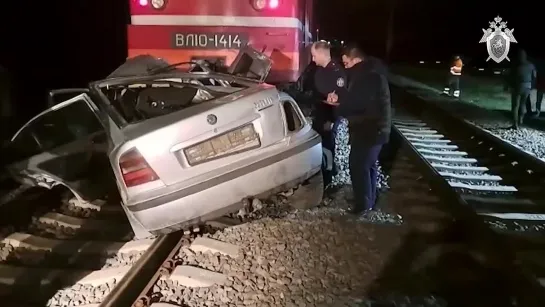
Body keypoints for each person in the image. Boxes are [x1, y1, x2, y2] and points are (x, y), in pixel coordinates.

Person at [325, 45, 391, 215]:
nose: (345, 66)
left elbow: (357, 104)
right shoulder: (370, 74)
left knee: (358, 166)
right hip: (374, 128)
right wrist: (341, 99)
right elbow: (357, 98)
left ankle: (362, 206)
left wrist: (337, 107)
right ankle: (368, 201)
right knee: (368, 166)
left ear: (356, 60)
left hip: (369, 129)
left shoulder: (367, 77)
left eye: (347, 63)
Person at [310, 41, 347, 193]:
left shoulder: (337, 72)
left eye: (314, 55)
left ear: (322, 53)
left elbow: (341, 95)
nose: (313, 59)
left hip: (329, 116)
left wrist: (332, 119)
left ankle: (328, 175)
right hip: (320, 113)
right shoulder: (320, 71)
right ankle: (324, 172)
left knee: (327, 144)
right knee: (321, 144)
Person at [505, 49, 536, 129]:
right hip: (527, 86)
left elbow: (510, 76)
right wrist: (532, 85)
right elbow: (534, 76)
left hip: (517, 86)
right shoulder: (531, 65)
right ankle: (521, 120)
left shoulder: (515, 65)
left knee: (515, 106)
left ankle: (515, 124)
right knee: (523, 104)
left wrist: (508, 85)